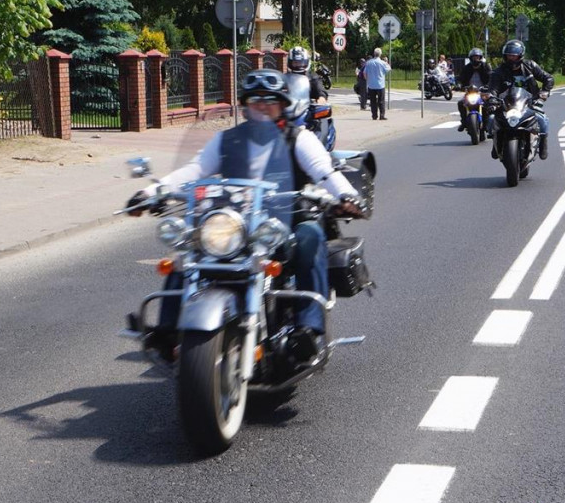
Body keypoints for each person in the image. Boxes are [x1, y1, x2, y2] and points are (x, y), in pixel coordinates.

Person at [125, 69, 364, 362]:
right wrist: (154, 193)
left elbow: (325, 172)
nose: (262, 104)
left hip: (283, 222)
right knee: (188, 251)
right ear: (245, 104)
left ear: (283, 103)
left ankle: (308, 329)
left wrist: (346, 195)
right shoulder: (227, 140)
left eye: (270, 99)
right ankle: (167, 330)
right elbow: (195, 170)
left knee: (311, 235)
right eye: (255, 99)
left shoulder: (298, 139)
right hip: (235, 225)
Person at [487, 39, 554, 160]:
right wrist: (492, 98)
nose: (511, 58)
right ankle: (495, 142)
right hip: (506, 104)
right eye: (509, 55)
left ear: (520, 55)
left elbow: (548, 78)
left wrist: (543, 93)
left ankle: (543, 143)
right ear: (505, 55)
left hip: (528, 103)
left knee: (542, 119)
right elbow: (493, 88)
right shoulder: (498, 72)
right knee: (492, 119)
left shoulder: (530, 66)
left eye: (514, 55)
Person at [456, 48, 492, 132]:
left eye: (477, 57)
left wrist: (488, 86)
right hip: (470, 92)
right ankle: (464, 122)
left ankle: (487, 124)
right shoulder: (467, 68)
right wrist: (459, 85)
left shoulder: (486, 66)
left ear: (480, 57)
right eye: (474, 57)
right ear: (470, 58)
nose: (475, 59)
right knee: (461, 103)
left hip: (483, 92)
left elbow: (491, 77)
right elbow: (460, 78)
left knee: (488, 104)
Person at [363, 48, 391, 120]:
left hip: (371, 85)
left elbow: (364, 73)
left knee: (373, 101)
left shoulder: (368, 63)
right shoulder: (382, 63)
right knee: (381, 100)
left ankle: (374, 116)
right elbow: (389, 69)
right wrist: (386, 62)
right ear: (380, 54)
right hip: (380, 85)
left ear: (374, 54)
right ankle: (382, 115)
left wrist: (368, 80)